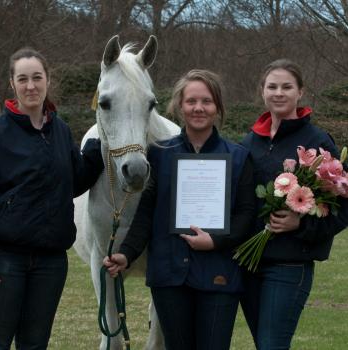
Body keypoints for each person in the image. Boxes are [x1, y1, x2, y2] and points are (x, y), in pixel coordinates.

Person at [103, 69, 255, 350]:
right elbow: (146, 213)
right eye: (191, 101)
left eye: (207, 101)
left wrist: (216, 240)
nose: (198, 108)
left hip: (219, 275)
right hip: (169, 277)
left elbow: (246, 216)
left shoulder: (238, 157)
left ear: (217, 107)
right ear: (178, 106)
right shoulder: (158, 155)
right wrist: (125, 253)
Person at [0, 48, 104, 349]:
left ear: (47, 80)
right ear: (12, 83)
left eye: (36, 78)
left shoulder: (60, 130)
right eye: (23, 79)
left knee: (35, 344)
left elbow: (73, 182)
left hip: (51, 261)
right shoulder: (1, 134)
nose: (30, 86)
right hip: (6, 259)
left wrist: (96, 152)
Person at [240, 58, 348, 350]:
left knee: (272, 345)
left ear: (300, 92)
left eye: (287, 86)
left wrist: (301, 223)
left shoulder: (317, 141)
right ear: (262, 91)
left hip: (289, 264)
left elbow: (342, 206)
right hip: (248, 265)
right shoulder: (248, 143)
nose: (278, 92)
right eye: (272, 86)